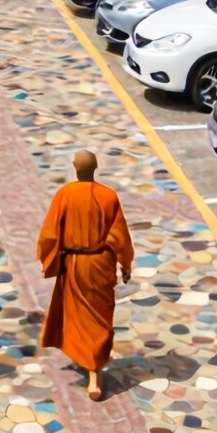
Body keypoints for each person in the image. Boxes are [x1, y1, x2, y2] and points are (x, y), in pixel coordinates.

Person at [38, 151, 132, 401]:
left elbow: (49, 234)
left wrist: (48, 260)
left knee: (78, 316)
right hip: (101, 263)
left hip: (74, 264)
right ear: (96, 167)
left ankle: (90, 368)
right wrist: (126, 264)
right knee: (99, 319)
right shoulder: (108, 195)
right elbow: (120, 234)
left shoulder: (65, 195)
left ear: (75, 168)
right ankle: (94, 370)